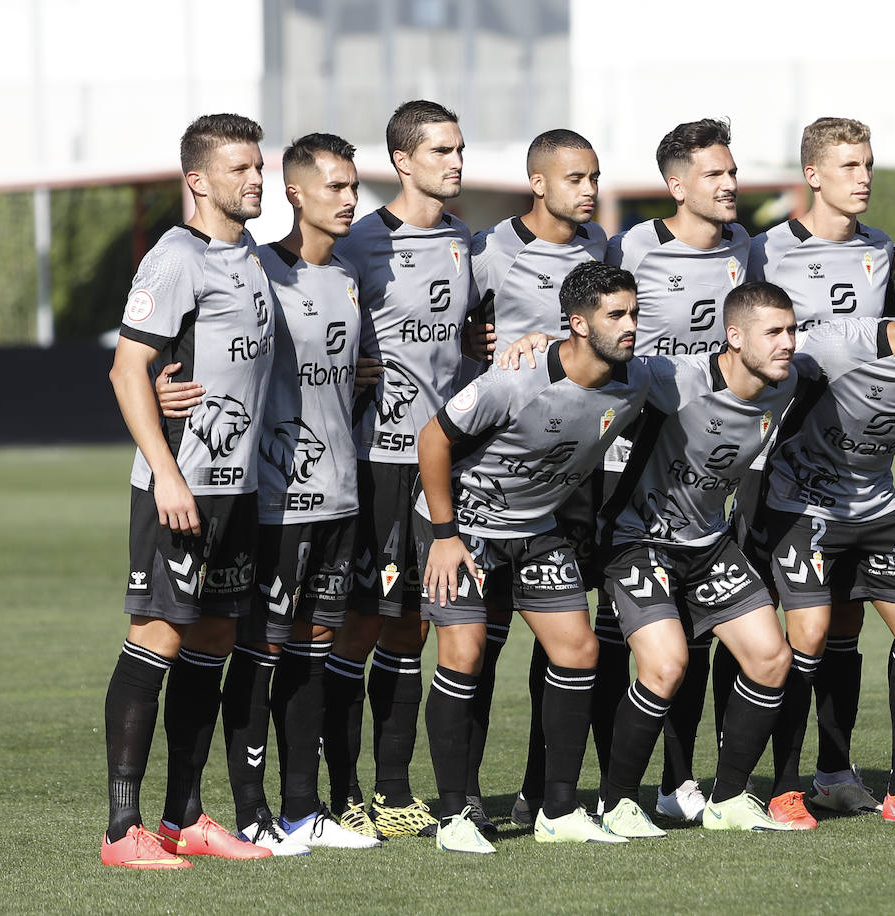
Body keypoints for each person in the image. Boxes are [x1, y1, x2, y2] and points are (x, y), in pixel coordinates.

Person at [158, 133, 382, 853]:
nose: (350, 200)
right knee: (262, 651)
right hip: (275, 500)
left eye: (354, 187)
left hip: (341, 494)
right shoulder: (257, 272)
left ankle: (300, 810)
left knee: (314, 650)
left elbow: (347, 376)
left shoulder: (347, 279)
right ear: (296, 193)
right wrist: (165, 387)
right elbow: (188, 354)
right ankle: (250, 812)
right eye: (337, 187)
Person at [414, 261, 650, 853]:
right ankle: (453, 819)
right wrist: (445, 535)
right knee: (464, 654)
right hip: (461, 525)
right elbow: (433, 440)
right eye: (615, 315)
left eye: (634, 313)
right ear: (577, 323)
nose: (630, 326)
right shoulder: (516, 378)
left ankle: (558, 809)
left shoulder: (638, 381)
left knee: (579, 649)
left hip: (536, 527)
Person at [101, 113, 275, 868]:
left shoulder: (252, 257)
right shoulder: (176, 258)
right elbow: (126, 369)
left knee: (213, 638)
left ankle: (185, 817)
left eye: (259, 166)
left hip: (238, 489)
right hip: (182, 488)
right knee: (158, 638)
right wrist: (168, 474)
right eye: (240, 168)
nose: (257, 179)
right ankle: (120, 831)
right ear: (197, 179)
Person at [754, 245, 895, 827]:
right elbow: (760, 374)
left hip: (874, 509)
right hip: (801, 507)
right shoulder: (834, 346)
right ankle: (783, 790)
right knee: (811, 632)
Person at [597, 281, 800, 837]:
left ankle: (729, 798)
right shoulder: (673, 379)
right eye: (774, 332)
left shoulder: (788, 381)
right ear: (734, 338)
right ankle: (615, 804)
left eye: (792, 330)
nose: (788, 343)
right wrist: (537, 343)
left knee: (770, 658)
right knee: (666, 667)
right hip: (640, 540)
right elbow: (596, 359)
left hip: (708, 543)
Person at [323, 99, 474, 840]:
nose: (455, 162)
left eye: (459, 149)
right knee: (359, 628)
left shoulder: (465, 242)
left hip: (444, 466)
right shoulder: (356, 244)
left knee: (413, 628)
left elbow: (470, 339)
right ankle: (343, 790)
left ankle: (392, 789)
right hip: (376, 465)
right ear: (403, 162)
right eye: (441, 150)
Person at [593, 117, 751, 824]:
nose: (730, 184)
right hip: (624, 470)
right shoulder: (630, 246)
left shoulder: (746, 251)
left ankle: (676, 779)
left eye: (731, 171)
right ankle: (579, 786)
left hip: (704, 474)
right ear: (677, 184)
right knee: (602, 641)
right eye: (715, 174)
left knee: (693, 633)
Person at [742, 116, 893, 825]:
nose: (862, 177)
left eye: (867, 164)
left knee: (844, 628)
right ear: (812, 175)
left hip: (858, 478)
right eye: (848, 165)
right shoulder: (765, 251)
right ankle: (765, 778)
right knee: (766, 626)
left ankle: (833, 768)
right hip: (777, 471)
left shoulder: (883, 254)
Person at [463, 128, 607, 831]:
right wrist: (480, 349)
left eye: (595, 178)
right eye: (577, 179)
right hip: (496, 473)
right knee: (479, 647)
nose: (590, 191)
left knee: (561, 640)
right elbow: (455, 333)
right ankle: (465, 797)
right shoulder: (491, 250)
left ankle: (539, 793)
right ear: (539, 183)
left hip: (574, 476)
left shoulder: (600, 247)